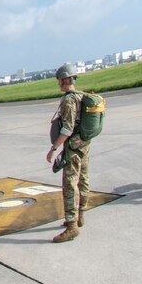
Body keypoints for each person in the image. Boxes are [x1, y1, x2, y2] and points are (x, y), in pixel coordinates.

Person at [45, 64, 90, 243]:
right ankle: (80, 216)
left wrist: (54, 149)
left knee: (70, 184)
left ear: (65, 80)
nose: (59, 84)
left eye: (60, 81)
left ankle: (72, 226)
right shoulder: (82, 96)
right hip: (84, 145)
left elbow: (67, 129)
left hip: (73, 148)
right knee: (84, 180)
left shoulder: (69, 100)